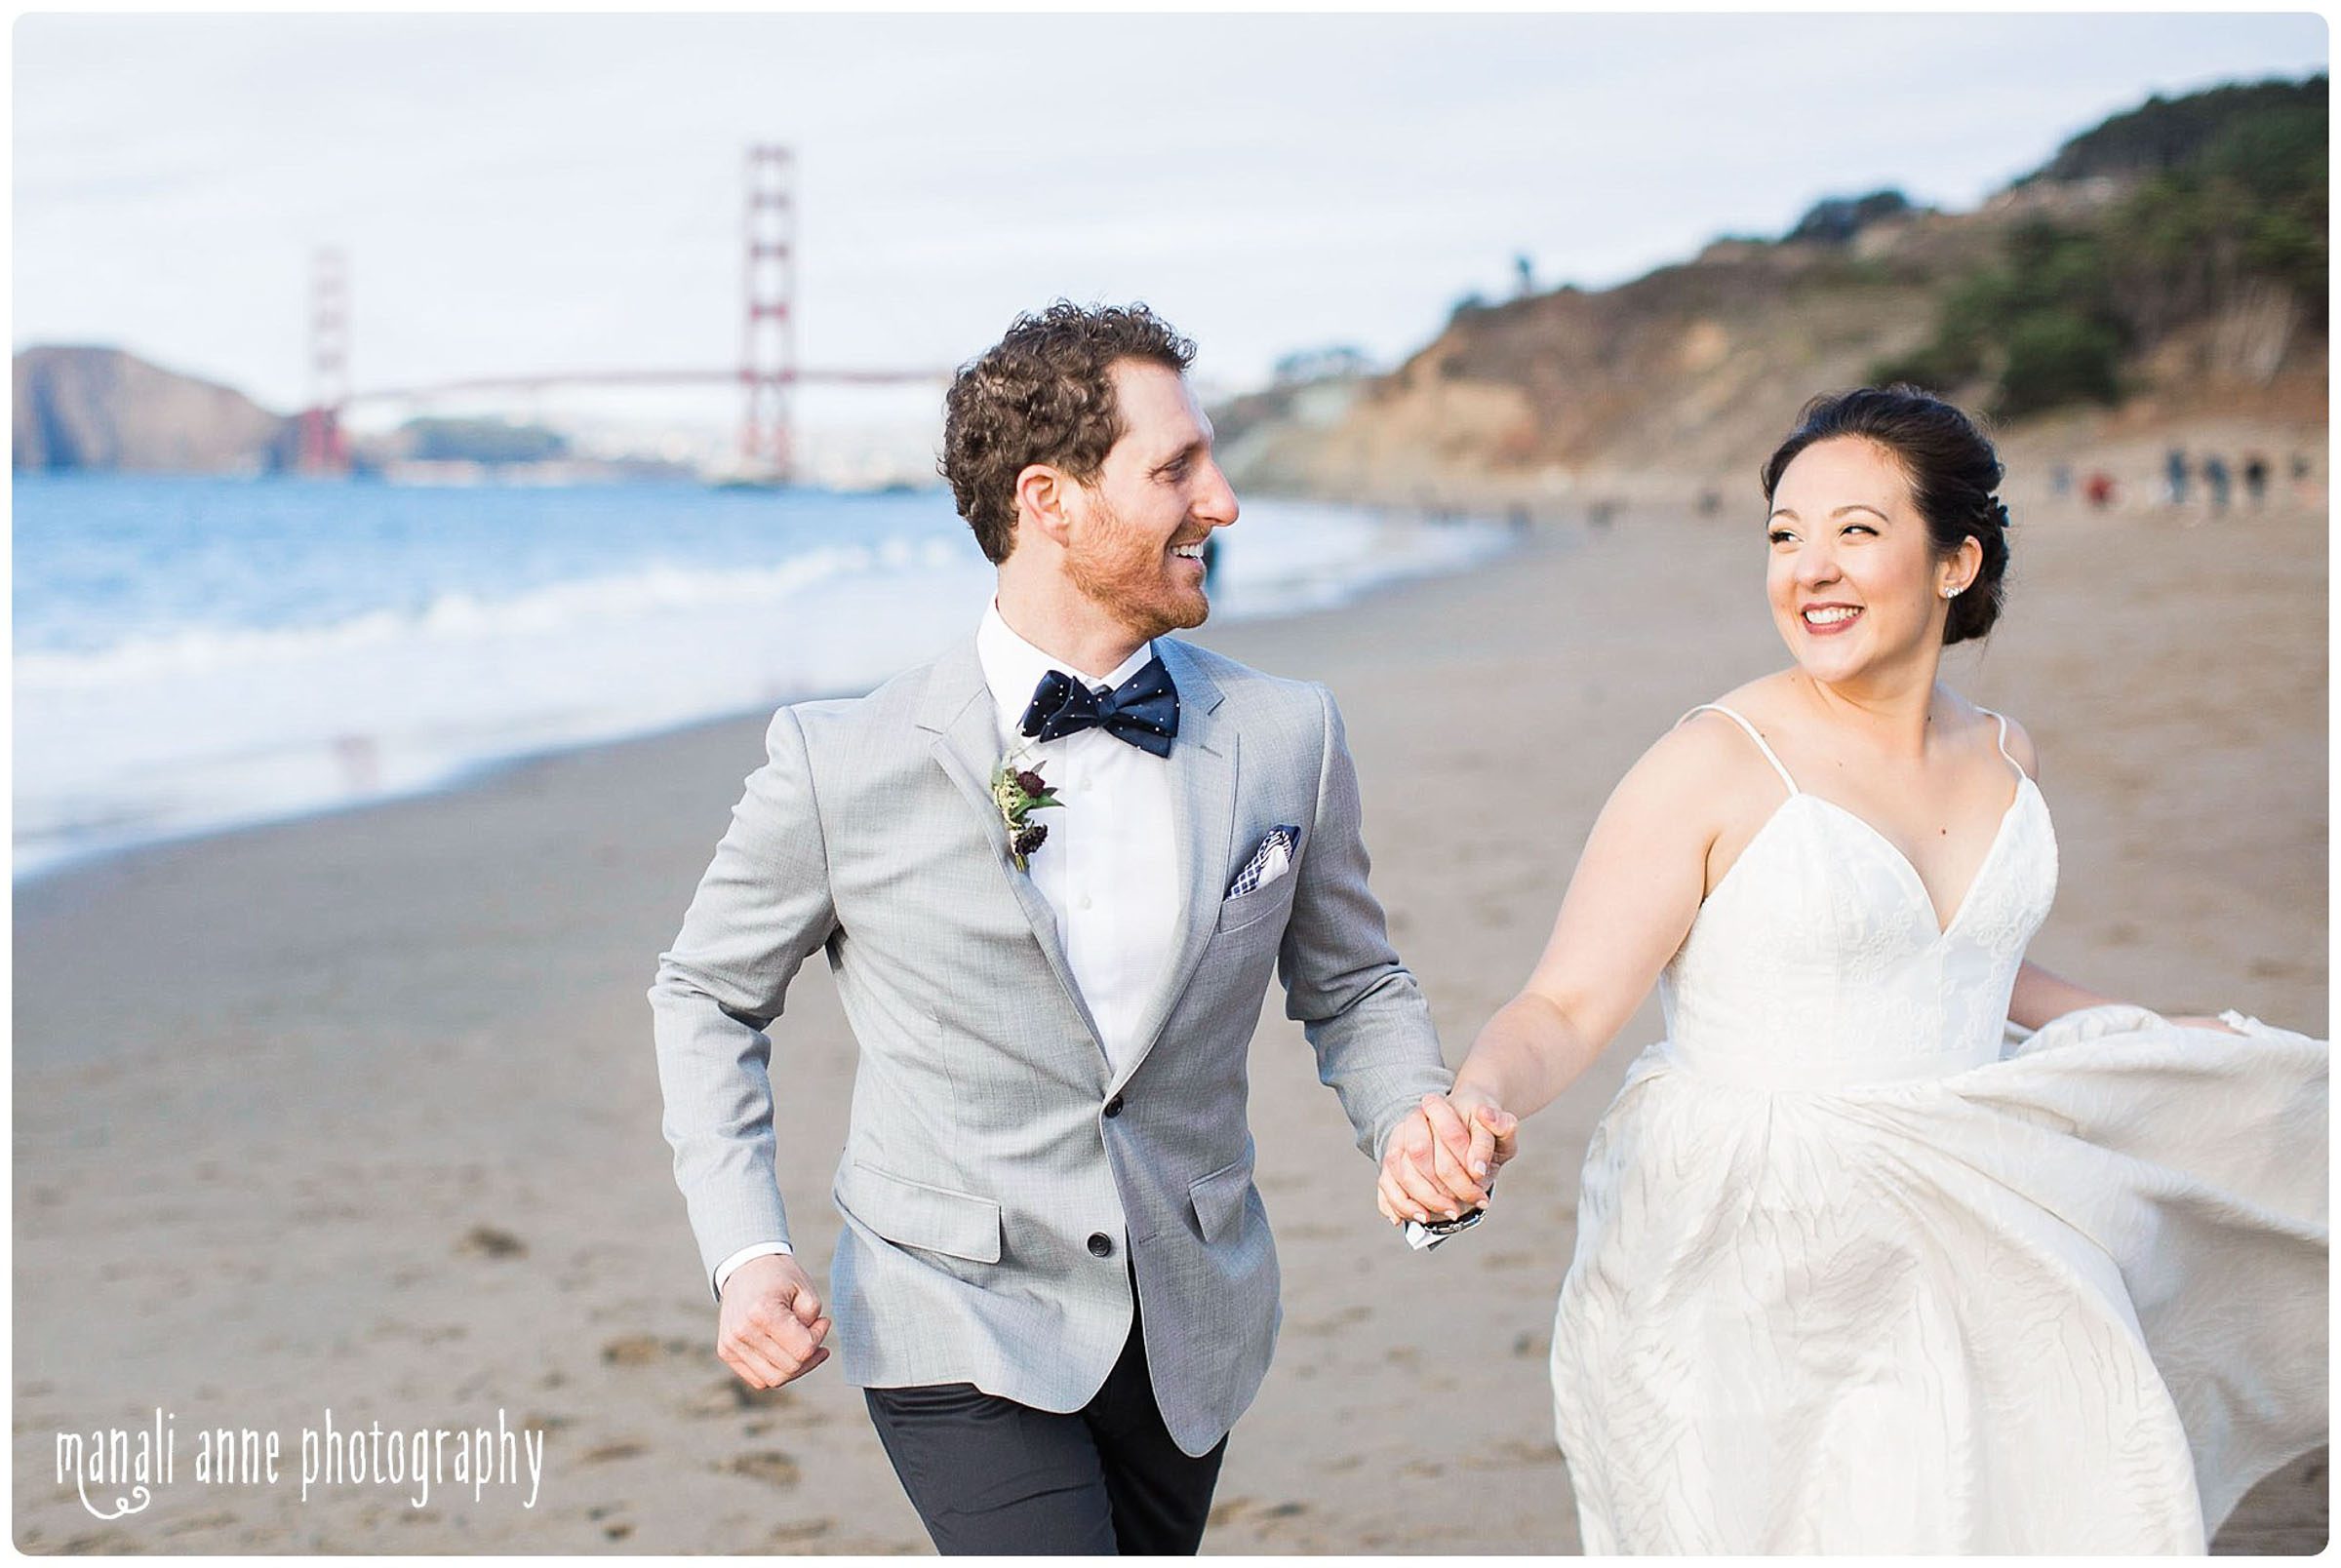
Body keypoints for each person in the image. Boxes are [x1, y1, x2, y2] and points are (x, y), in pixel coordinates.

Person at [1378, 386, 2327, 1552]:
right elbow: (1566, 1003)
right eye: (1785, 535)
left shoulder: (2004, 752)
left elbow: (1976, 964)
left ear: (1953, 561)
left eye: (1856, 532)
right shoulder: (1715, 762)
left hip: (1983, 1196)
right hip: (1756, 1229)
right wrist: (1478, 1100)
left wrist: (2167, 1036)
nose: (1809, 569)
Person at [650, 300, 1458, 1555]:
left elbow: (1353, 985)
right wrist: (747, 1250)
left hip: (1192, 1311)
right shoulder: (840, 760)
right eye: (1178, 468)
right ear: (1050, 498)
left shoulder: (1287, 735)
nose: (1225, 502)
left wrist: (1411, 1123)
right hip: (950, 1300)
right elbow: (706, 995)